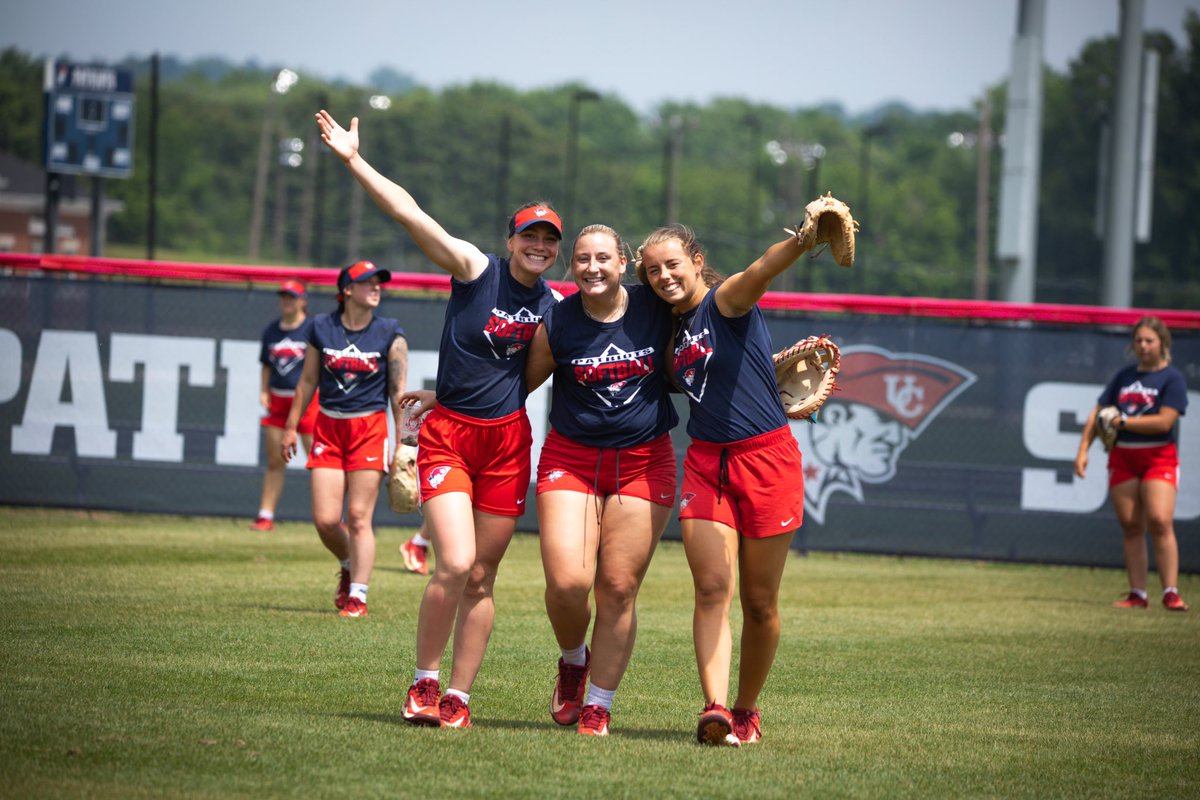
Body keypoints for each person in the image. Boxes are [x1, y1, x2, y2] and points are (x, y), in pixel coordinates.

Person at [316, 109, 560, 728]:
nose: (539, 246)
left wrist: (440, 387)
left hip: (507, 442)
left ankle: (459, 697)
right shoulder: (477, 270)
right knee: (452, 562)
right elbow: (409, 212)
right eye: (529, 235)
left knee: (481, 575)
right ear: (510, 241)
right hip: (450, 438)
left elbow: (536, 368)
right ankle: (423, 683)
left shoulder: (558, 307)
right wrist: (353, 160)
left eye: (549, 238)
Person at [636, 223, 817, 746]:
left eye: (673, 264)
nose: (664, 276)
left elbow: (762, 268)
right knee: (712, 587)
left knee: (760, 603)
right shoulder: (667, 331)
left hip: (766, 461)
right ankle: (714, 708)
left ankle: (746, 710)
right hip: (706, 462)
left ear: (696, 260)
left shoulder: (726, 302)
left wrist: (804, 240)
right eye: (652, 270)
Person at [524, 224, 679, 737]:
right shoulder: (558, 320)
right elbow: (513, 383)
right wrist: (451, 399)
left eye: (604, 258)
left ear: (623, 262)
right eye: (583, 259)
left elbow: (711, 337)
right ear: (573, 266)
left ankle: (598, 703)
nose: (593, 267)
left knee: (617, 587)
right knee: (568, 583)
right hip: (571, 459)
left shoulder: (656, 308)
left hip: (643, 461)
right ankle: (573, 659)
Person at [281, 260, 408, 619]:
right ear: (347, 290)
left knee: (357, 516)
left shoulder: (390, 333)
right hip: (328, 427)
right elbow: (307, 381)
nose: (376, 287)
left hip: (369, 429)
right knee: (324, 519)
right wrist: (292, 426)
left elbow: (398, 394)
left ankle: (358, 596)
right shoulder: (322, 327)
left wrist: (404, 443)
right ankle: (348, 563)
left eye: (378, 282)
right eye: (366, 282)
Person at [1074, 316, 1189, 612]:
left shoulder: (1171, 378)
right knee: (1131, 525)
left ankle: (1171, 591)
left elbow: (1164, 421)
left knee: (1160, 520)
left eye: (1149, 340)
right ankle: (1138, 593)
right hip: (1124, 455)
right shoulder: (1124, 377)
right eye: (1138, 341)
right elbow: (1098, 412)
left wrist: (1124, 420)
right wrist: (1083, 450)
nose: (1143, 346)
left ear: (1163, 343)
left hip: (1157, 455)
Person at [251, 279, 320, 531]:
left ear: (303, 301)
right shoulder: (272, 330)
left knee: (319, 463)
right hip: (278, 400)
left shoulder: (313, 327)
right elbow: (266, 365)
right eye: (283, 297)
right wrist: (263, 390)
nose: (286, 301)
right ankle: (265, 515)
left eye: (292, 297)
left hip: (307, 401)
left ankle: (333, 517)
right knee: (275, 460)